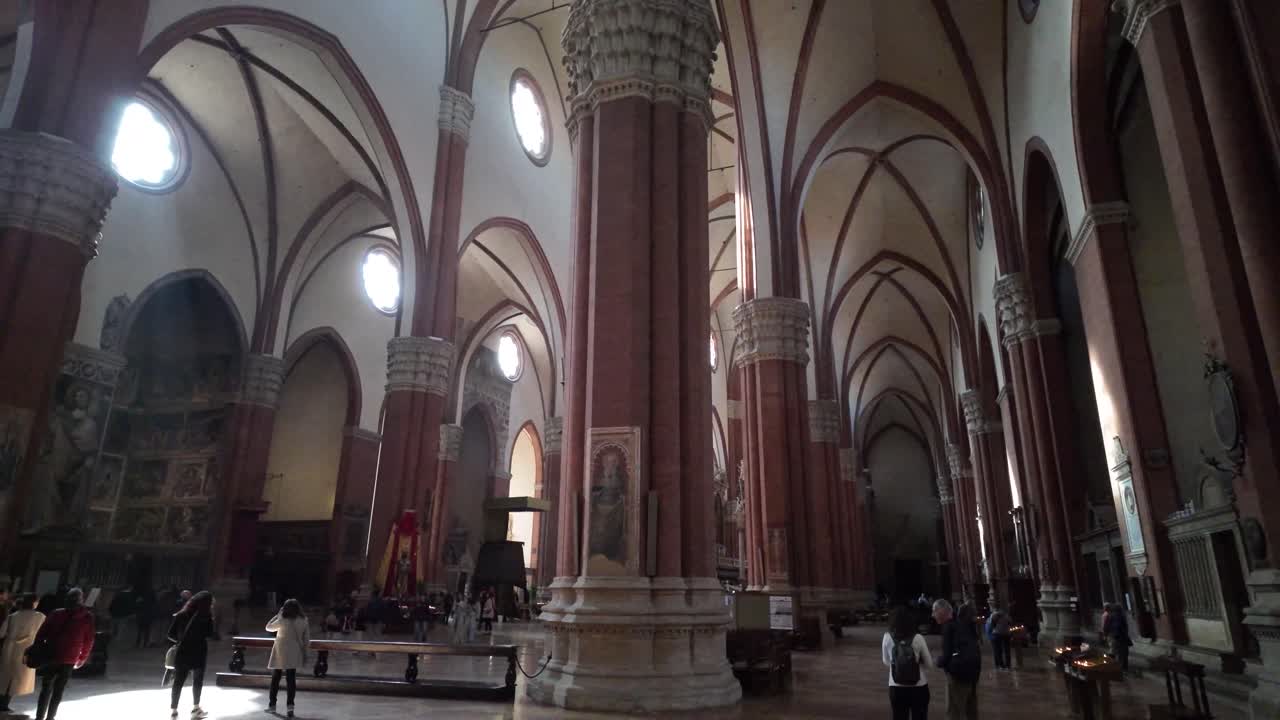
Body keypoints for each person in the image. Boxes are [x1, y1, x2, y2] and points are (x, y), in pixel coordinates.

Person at [32, 587, 95, 720]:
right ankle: (50, 717)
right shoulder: (87, 617)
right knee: (58, 690)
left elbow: (41, 633)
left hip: (52, 654)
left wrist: (39, 648)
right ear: (81, 600)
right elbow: (89, 639)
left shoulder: (56, 613)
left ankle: (39, 717)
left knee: (46, 688)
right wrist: (83, 657)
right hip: (70, 657)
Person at [166, 590, 217, 719]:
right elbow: (210, 634)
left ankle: (174, 710)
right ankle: (195, 708)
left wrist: (180, 640)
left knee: (178, 681)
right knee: (197, 681)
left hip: (183, 651)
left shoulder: (181, 615)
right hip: (199, 652)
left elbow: (170, 634)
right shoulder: (205, 618)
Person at [882, 607, 933, 720]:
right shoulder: (918, 638)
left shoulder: (887, 637)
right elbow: (929, 664)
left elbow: (886, 661)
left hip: (896, 687)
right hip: (919, 687)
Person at [934, 599, 980, 720]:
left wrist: (938, 661)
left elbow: (946, 655)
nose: (933, 615)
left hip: (958, 676)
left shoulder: (949, 627)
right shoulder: (963, 624)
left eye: (934, 611)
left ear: (942, 611)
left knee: (954, 712)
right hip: (972, 674)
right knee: (971, 711)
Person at [0, 595, 44, 713]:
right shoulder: (40, 617)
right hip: (26, 650)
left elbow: (2, 633)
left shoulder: (12, 616)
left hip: (9, 648)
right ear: (34, 603)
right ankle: (5, 704)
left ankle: (2, 703)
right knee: (18, 678)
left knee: (5, 676)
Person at [266, 599, 310, 718]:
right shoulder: (304, 620)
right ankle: (290, 708)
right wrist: (305, 653)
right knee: (291, 680)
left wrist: (277, 615)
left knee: (276, 679)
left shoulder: (282, 620)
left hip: (281, 651)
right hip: (294, 651)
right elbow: (306, 640)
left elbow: (268, 627)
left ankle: (272, 705)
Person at [1102, 602, 1132, 673]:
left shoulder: (1110, 616)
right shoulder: (1122, 616)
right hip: (1122, 637)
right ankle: (1124, 667)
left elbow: (1106, 627)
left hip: (1115, 637)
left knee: (1117, 652)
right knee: (1124, 653)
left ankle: (1118, 667)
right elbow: (1125, 626)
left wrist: (1105, 634)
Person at [986, 602, 1012, 671]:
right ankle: (1008, 665)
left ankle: (999, 665)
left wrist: (990, 633)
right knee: (1007, 650)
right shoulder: (1006, 615)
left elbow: (991, 625)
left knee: (997, 650)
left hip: (997, 633)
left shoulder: (993, 615)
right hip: (1006, 633)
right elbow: (1010, 622)